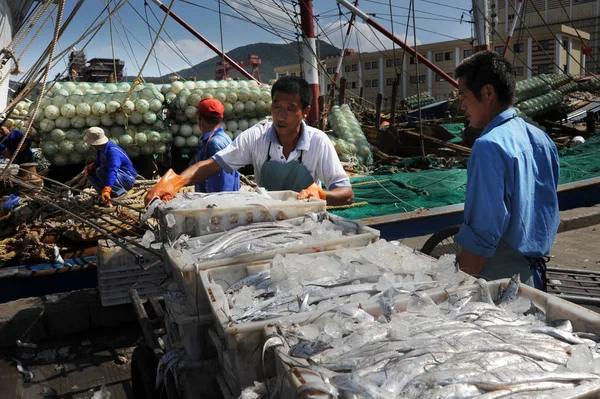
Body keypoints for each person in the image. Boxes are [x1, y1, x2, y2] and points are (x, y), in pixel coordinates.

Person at [145, 76, 354, 206]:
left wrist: (321, 194)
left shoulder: (319, 142)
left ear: (305, 112)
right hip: (269, 221)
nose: (281, 115)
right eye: (276, 106)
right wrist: (176, 182)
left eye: (290, 108)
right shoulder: (257, 136)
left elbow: (346, 194)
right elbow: (212, 165)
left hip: (309, 224)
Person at [453, 51, 560, 291]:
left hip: (496, 283)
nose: (462, 106)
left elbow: (483, 232)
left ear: (488, 93)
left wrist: (454, 288)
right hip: (534, 277)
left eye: (464, 96)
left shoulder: (489, 145)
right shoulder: (541, 138)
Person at [192, 98, 240, 193]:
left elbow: (222, 182)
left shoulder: (213, 144)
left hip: (217, 203)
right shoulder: (225, 137)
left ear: (200, 119)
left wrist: (216, 205)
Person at [83, 126, 137, 203]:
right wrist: (92, 165)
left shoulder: (113, 151)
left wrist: (108, 188)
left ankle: (118, 193)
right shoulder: (100, 150)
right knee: (90, 172)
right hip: (115, 176)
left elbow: (112, 170)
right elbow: (99, 163)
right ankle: (102, 194)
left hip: (127, 177)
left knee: (100, 171)